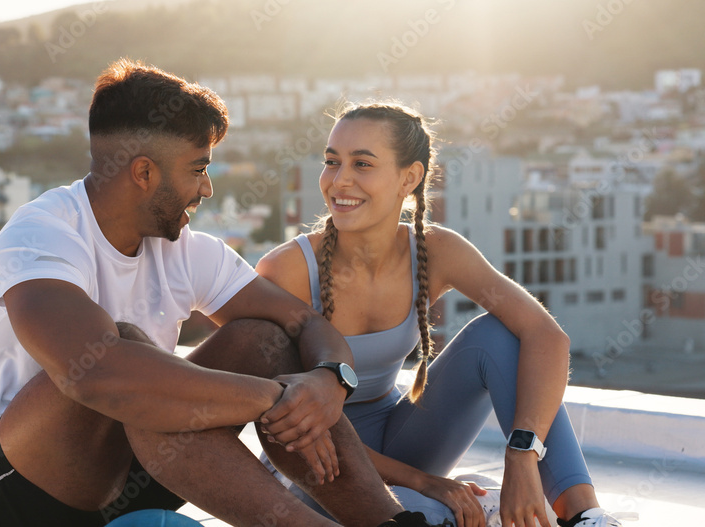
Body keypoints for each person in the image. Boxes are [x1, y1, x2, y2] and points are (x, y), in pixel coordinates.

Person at [0, 60, 443, 527]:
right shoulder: (43, 235)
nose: (207, 190)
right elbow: (94, 375)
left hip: (132, 476)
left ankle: (389, 522)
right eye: (198, 169)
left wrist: (330, 381)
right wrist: (275, 398)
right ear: (143, 173)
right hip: (5, 493)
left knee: (262, 339)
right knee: (130, 353)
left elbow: (305, 325)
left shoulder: (186, 249)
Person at [256, 102, 625, 527]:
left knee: (497, 336)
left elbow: (547, 336)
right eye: (332, 161)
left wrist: (522, 457)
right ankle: (447, 500)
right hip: (315, 461)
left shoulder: (435, 250)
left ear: (409, 178)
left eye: (362, 164)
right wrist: (427, 482)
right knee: (431, 514)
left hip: (398, 436)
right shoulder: (287, 270)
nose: (340, 180)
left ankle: (584, 515)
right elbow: (286, 421)